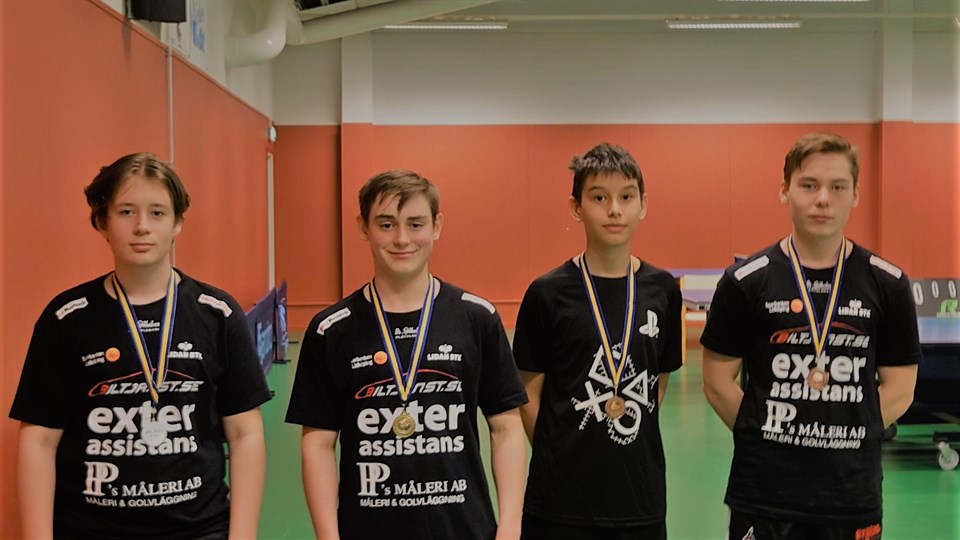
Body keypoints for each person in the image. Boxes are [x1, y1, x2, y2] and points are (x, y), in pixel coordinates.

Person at [10, 153, 271, 539]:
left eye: (157, 213)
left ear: (178, 222)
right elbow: (39, 439)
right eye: (126, 212)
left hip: (199, 530)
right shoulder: (67, 318)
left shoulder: (217, 313)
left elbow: (245, 434)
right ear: (102, 222)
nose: (142, 227)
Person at [286, 169, 528, 540]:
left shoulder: (477, 318)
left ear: (436, 226)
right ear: (364, 227)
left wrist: (510, 525)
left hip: (464, 530)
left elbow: (506, 426)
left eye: (415, 224)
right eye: (386, 225)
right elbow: (318, 442)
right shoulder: (331, 329)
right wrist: (328, 535)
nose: (401, 239)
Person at [701, 132, 921, 540]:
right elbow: (716, 382)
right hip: (763, 495)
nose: (823, 199)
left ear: (855, 194)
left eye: (837, 187)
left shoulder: (887, 284)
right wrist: (765, 434)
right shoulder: (745, 281)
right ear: (785, 190)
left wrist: (847, 433)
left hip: (851, 495)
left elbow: (901, 388)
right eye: (808, 185)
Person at [513, 142, 683, 540]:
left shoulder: (662, 290)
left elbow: (657, 382)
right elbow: (528, 395)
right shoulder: (547, 294)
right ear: (576, 207)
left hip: (639, 500)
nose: (614, 210)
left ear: (643, 204)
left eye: (626, 197)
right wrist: (562, 456)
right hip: (559, 504)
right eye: (599, 198)